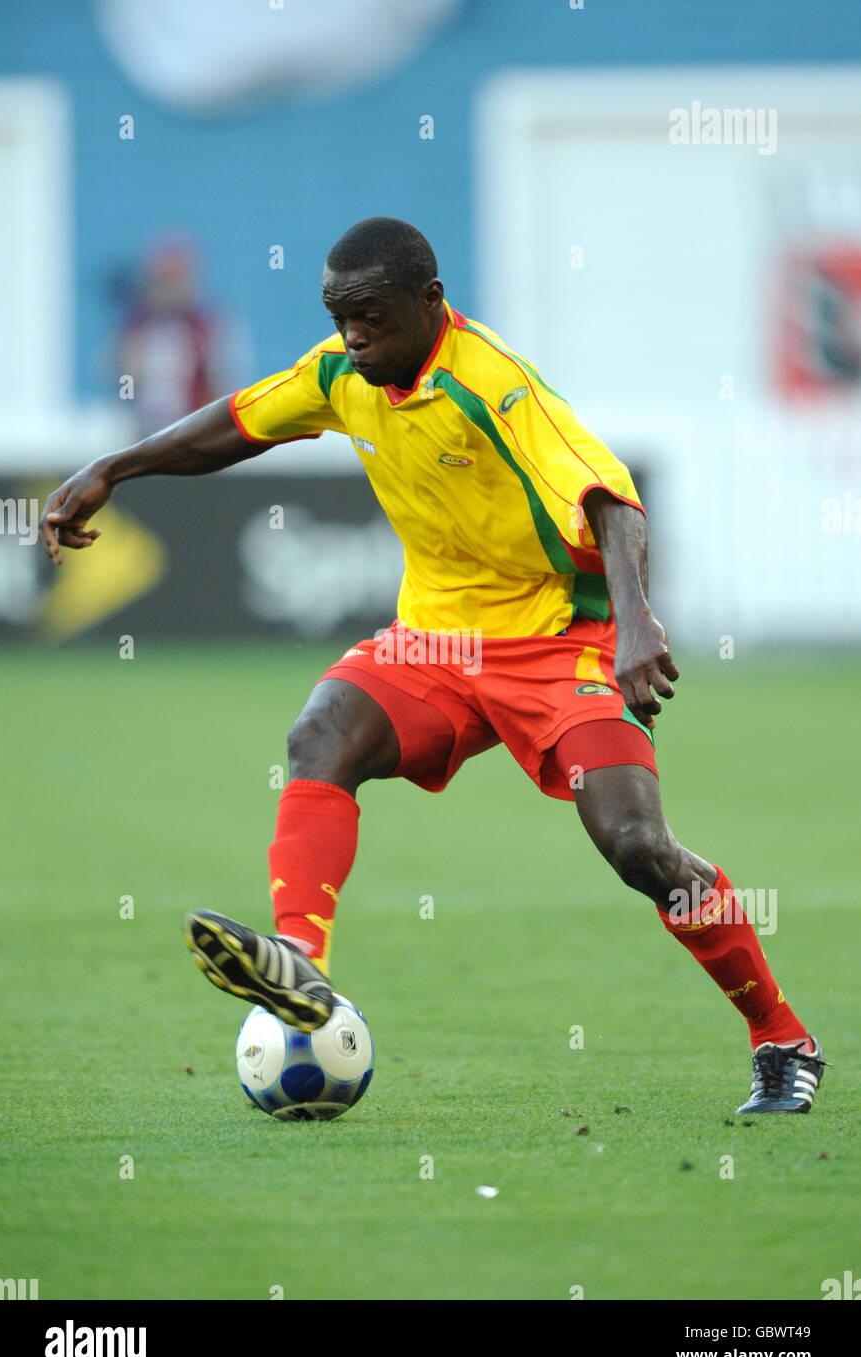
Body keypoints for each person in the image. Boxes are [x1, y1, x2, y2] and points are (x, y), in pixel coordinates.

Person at [40, 217, 826, 1115]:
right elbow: (239, 424)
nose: (352, 336)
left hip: (560, 641)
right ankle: (301, 964)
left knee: (639, 848)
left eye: (370, 316)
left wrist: (638, 620)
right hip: (436, 642)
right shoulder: (343, 373)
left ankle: (780, 1037)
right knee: (321, 733)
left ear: (430, 303)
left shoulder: (494, 383)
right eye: (340, 317)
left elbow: (612, 499)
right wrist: (114, 466)